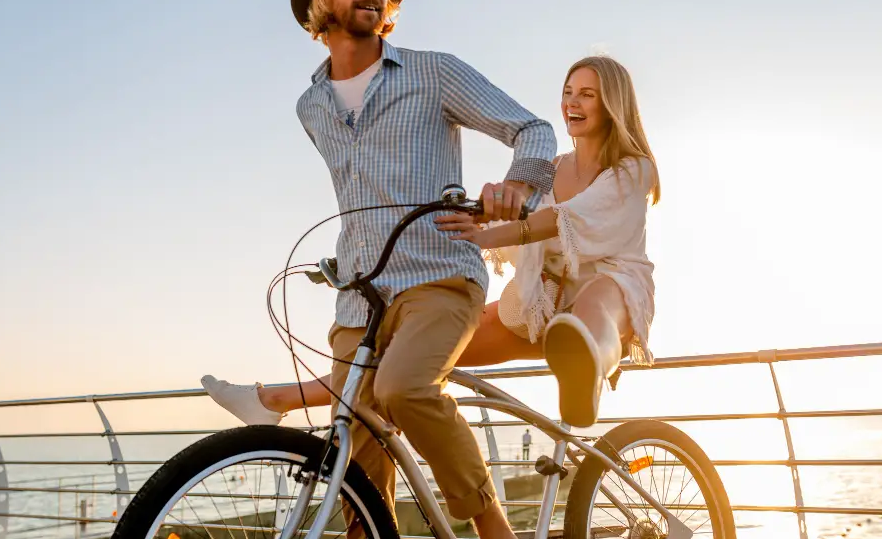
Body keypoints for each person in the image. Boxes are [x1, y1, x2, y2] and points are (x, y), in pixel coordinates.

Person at [221, 0, 558, 539]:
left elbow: (531, 129)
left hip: (439, 272)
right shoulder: (311, 107)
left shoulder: (433, 72)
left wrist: (521, 185)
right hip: (361, 287)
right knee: (358, 439)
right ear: (323, 2)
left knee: (404, 389)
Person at [205, 54, 659, 432]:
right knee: (391, 362)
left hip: (607, 292)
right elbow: (520, 214)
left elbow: (561, 220)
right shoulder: (553, 166)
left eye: (587, 94)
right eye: (568, 92)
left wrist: (488, 233)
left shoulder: (633, 168)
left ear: (612, 104)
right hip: (540, 304)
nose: (572, 103)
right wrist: (474, 218)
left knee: (596, 303)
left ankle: (587, 367)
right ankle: (274, 400)